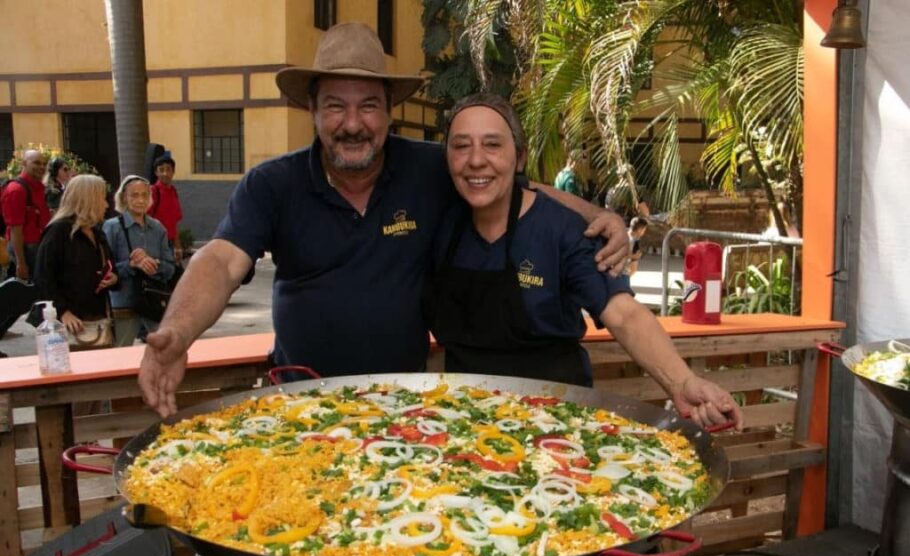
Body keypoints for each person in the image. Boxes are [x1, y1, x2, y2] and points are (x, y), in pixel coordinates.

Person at [138, 22, 630, 418]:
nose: (353, 123)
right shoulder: (272, 184)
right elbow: (221, 262)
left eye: (368, 105)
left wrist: (599, 215)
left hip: (408, 407)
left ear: (389, 111)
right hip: (301, 408)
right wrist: (178, 334)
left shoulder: (429, 168)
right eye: (336, 105)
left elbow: (510, 183)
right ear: (312, 109)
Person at [425, 93, 741, 429]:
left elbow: (624, 314)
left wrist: (681, 383)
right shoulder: (438, 223)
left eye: (492, 145)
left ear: (519, 158)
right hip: (464, 418)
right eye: (461, 146)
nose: (476, 160)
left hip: (556, 418)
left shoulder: (563, 230)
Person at [33, 174, 118, 346]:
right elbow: (43, 278)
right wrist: (62, 312)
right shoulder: (58, 232)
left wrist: (114, 278)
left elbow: (110, 266)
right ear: (89, 200)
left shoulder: (97, 233)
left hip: (98, 319)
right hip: (69, 325)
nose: (106, 205)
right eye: (102, 199)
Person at [103, 175, 175, 347]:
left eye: (144, 195)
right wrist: (132, 265)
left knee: (166, 348)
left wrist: (153, 264)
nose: (140, 200)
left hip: (153, 300)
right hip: (124, 302)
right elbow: (106, 269)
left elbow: (170, 268)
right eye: (134, 195)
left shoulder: (157, 228)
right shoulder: (112, 227)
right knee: (121, 352)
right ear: (124, 198)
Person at [1, 149, 51, 281]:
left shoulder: (38, 187)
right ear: (24, 163)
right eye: (36, 163)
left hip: (38, 246)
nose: (41, 167)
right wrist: (21, 263)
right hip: (27, 249)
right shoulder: (16, 190)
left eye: (43, 164)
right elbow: (15, 229)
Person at [148, 152, 184, 263]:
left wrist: (177, 246)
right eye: (161, 169)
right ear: (156, 172)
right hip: (155, 244)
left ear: (173, 172)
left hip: (169, 244)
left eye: (168, 169)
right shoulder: (152, 191)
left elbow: (173, 223)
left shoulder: (173, 192)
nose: (165, 173)